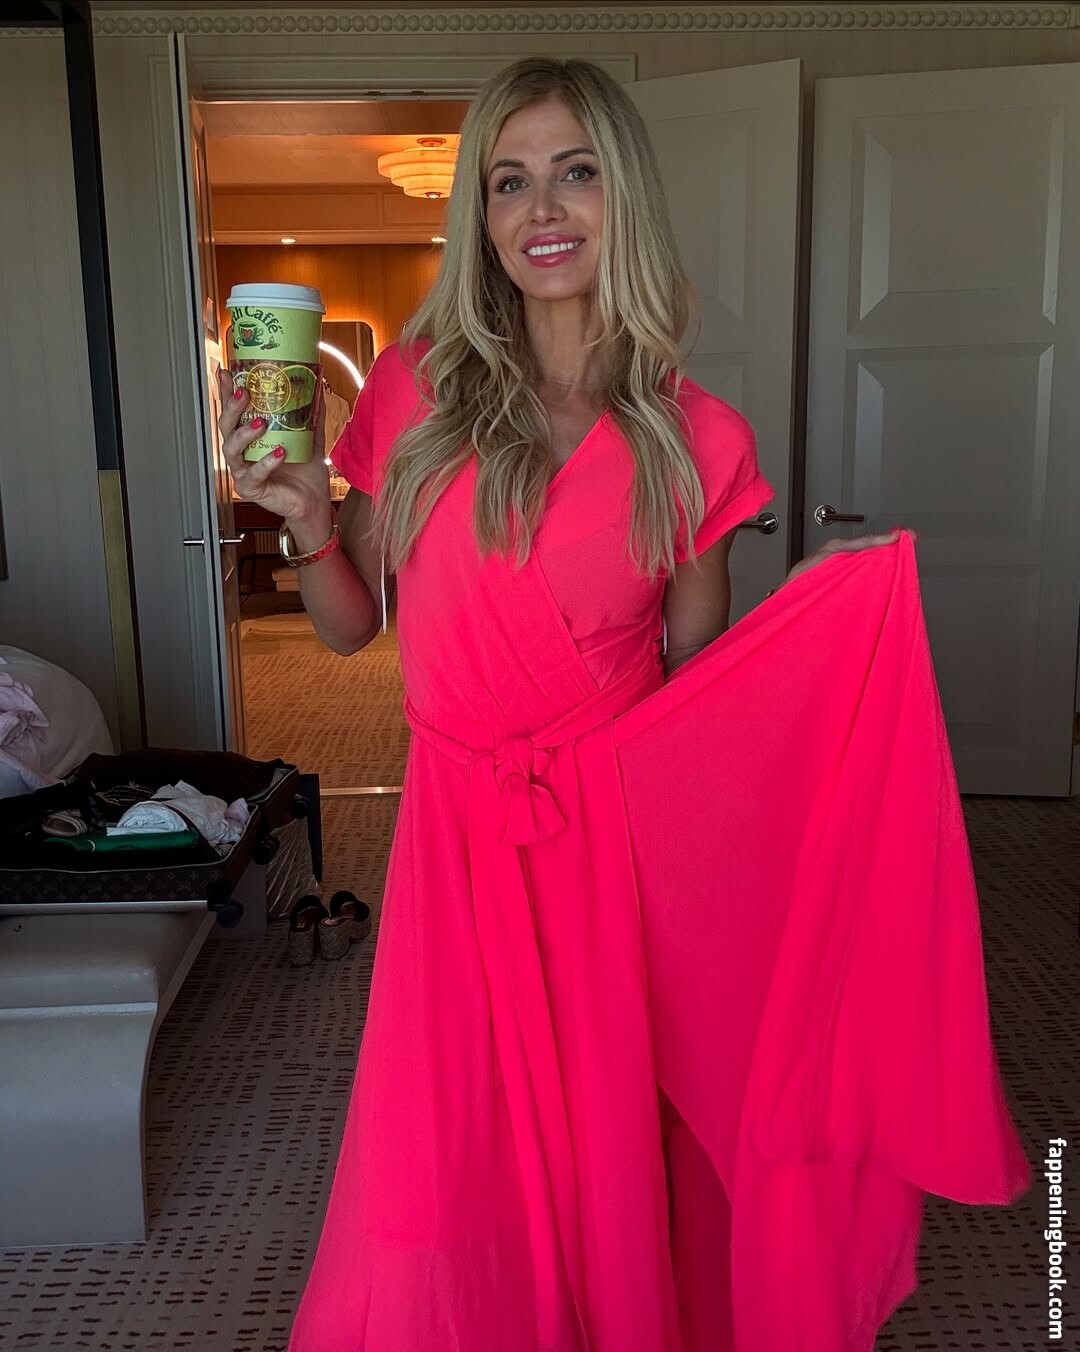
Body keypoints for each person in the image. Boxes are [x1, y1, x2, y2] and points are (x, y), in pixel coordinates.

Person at [219, 57, 921, 1351]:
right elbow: (349, 628)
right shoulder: (415, 392)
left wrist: (838, 634)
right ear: (481, 216)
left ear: (622, 195)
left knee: (614, 1133)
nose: (542, 208)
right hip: (452, 827)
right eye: (509, 180)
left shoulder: (696, 437)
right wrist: (311, 526)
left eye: (575, 171)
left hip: (612, 841)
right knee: (447, 1138)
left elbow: (699, 688)